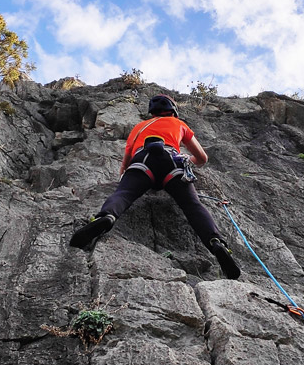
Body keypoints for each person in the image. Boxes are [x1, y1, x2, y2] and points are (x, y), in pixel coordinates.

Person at [69, 94, 241, 279]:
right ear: (173, 111)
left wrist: (127, 178)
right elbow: (202, 158)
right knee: (192, 205)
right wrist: (187, 160)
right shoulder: (179, 124)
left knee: (124, 193)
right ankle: (216, 242)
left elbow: (125, 163)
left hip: (143, 159)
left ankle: (106, 217)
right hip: (173, 162)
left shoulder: (139, 127)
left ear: (151, 112)